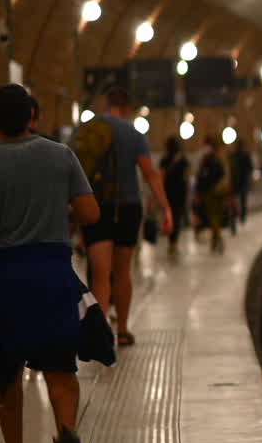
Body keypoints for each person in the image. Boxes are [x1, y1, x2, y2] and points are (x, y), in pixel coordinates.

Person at [0, 85, 101, 443]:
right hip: (53, 274)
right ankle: (65, 439)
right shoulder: (61, 156)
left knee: (7, 371)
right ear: (32, 117)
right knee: (60, 368)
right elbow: (91, 213)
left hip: (6, 277)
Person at [71, 87, 172, 347]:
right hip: (127, 207)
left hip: (95, 206)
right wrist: (165, 207)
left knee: (100, 275)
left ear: (106, 104)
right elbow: (150, 173)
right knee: (122, 272)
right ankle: (124, 330)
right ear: (127, 108)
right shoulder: (133, 134)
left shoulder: (87, 131)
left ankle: (100, 330)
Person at [195, 136, 231, 252]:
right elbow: (225, 174)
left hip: (209, 190)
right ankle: (216, 239)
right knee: (217, 214)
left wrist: (199, 190)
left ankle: (217, 237)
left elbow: (200, 174)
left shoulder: (207, 157)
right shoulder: (222, 157)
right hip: (220, 190)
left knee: (213, 215)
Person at [159, 136, 189, 255]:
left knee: (169, 216)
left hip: (168, 192)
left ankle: (171, 241)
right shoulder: (183, 160)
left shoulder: (165, 160)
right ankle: (174, 242)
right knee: (177, 217)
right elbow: (187, 177)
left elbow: (161, 177)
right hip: (180, 193)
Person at [230, 139, 254, 224]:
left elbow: (250, 169)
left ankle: (241, 216)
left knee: (241, 200)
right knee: (238, 200)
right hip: (237, 181)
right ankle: (238, 216)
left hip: (241, 181)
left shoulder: (242, 155)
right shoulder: (235, 155)